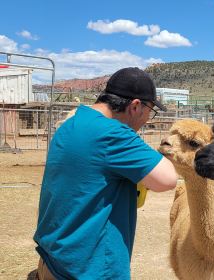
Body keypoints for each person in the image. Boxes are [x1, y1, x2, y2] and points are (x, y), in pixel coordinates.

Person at [33, 67, 178, 279]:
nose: (147, 118)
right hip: (89, 268)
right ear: (135, 106)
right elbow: (167, 180)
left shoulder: (72, 122)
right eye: (150, 111)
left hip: (54, 259)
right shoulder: (113, 134)